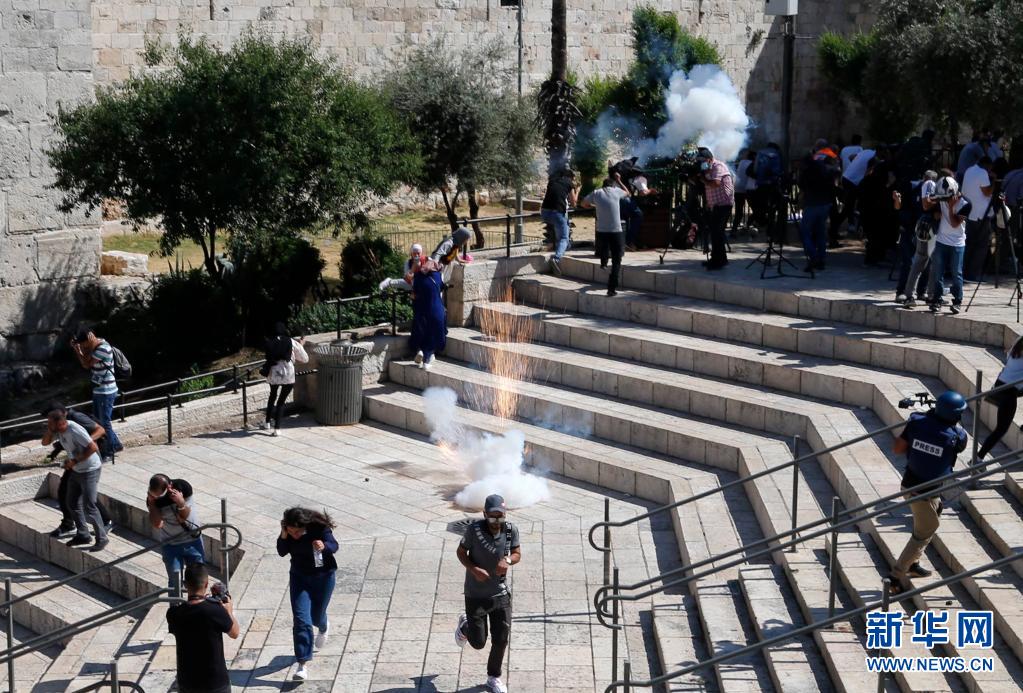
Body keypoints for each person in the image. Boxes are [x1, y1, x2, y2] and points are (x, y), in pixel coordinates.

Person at [887, 391, 968, 594]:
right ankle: (895, 577)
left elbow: (897, 449)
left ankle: (913, 563)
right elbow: (959, 443)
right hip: (925, 492)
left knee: (933, 514)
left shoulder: (916, 422)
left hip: (910, 483)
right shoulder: (956, 436)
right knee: (925, 531)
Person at [454, 494, 521, 693]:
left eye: (500, 516)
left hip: (500, 593)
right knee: (478, 643)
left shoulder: (511, 530)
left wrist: (508, 560)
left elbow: (517, 553)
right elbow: (460, 552)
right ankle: (465, 625)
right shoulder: (473, 531)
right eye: (492, 516)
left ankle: (494, 677)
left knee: (501, 638)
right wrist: (473, 569)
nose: (497, 521)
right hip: (476, 594)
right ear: (485, 514)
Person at [277, 507, 339, 682]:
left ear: (304, 526)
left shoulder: (319, 528)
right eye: (291, 531)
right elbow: (281, 551)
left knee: (316, 617)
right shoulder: (287, 533)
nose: (295, 535)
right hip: (299, 578)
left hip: (323, 577)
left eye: (298, 531)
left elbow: (334, 545)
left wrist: (324, 546)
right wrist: (284, 535)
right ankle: (302, 664)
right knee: (301, 619)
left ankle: (323, 625)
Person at [41, 407, 109, 551]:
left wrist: (74, 461)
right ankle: (83, 534)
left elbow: (93, 447)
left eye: (50, 423)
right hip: (77, 470)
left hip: (90, 470)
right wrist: (49, 430)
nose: (48, 425)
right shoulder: (58, 431)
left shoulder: (74, 430)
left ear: (60, 423)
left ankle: (102, 538)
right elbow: (44, 443)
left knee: (90, 505)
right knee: (71, 502)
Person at [166, 563, 240, 693]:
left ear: (185, 584)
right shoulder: (215, 611)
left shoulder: (174, 614)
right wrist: (228, 611)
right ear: (206, 584)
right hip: (215, 683)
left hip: (188, 683)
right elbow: (235, 633)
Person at [70, 328, 123, 460]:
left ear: (89, 339)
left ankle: (109, 452)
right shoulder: (93, 347)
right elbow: (86, 362)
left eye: (83, 343)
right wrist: (79, 350)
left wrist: (80, 351)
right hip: (99, 390)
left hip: (106, 390)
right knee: (98, 421)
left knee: (104, 423)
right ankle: (116, 444)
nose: (82, 346)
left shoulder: (102, 348)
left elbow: (87, 364)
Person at [147, 474, 205, 586]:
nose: (159, 498)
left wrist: (181, 503)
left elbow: (184, 517)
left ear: (170, 486)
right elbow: (157, 524)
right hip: (171, 543)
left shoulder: (183, 487)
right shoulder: (154, 499)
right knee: (175, 581)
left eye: (161, 495)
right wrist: (152, 503)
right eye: (156, 495)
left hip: (192, 540)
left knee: (197, 579)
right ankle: (175, 598)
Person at [927, 176, 972, 314]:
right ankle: (937, 299)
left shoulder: (966, 204)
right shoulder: (942, 198)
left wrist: (951, 207)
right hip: (941, 241)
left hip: (957, 243)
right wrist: (934, 205)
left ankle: (957, 301)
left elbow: (954, 224)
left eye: (947, 198)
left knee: (956, 273)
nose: (945, 201)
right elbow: (928, 204)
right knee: (938, 272)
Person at [975, 335, 1023, 463]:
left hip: (1000, 385)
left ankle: (978, 458)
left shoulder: (1019, 340)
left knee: (1000, 428)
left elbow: (1008, 356)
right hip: (1010, 390)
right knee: (1001, 429)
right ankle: (978, 458)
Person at [580, 173, 630, 296]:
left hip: (601, 231)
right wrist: (619, 180)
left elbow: (583, 204)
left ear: (603, 186)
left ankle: (603, 262)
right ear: (613, 186)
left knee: (604, 247)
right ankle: (611, 288)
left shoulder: (597, 193)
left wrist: (594, 205)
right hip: (616, 230)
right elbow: (628, 193)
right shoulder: (616, 191)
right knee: (617, 259)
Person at [899, 171, 940, 307]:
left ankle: (917, 293)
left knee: (922, 262)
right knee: (922, 262)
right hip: (923, 228)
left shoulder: (919, 187)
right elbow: (926, 205)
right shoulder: (928, 186)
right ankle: (926, 295)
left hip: (921, 228)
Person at [799, 143, 840, 271]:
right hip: (825, 204)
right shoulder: (824, 167)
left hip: (812, 204)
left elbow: (802, 186)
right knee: (821, 232)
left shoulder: (807, 171)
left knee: (805, 232)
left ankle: (813, 257)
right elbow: (834, 178)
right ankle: (821, 260)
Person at [262, 323, 309, 436]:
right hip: (288, 372)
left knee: (272, 396)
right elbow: (305, 359)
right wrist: (301, 345)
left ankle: (267, 422)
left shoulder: (269, 341)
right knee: (281, 401)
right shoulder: (291, 341)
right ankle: (277, 428)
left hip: (274, 372)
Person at [697, 147, 734, 270]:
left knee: (717, 232)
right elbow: (707, 187)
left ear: (709, 159)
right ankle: (718, 259)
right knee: (715, 232)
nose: (701, 163)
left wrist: (703, 179)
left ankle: (719, 261)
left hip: (724, 204)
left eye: (703, 161)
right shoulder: (706, 169)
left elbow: (715, 184)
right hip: (714, 205)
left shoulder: (718, 166)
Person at [541, 168, 579, 275]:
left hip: (544, 212)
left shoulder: (552, 181)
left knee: (560, 230)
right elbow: (574, 203)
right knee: (564, 238)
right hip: (557, 213)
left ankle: (559, 248)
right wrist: (577, 190)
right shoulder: (569, 183)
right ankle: (556, 258)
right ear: (571, 177)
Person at [962, 156, 994, 281]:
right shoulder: (983, 173)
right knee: (981, 245)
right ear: (987, 165)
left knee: (968, 243)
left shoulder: (969, 170)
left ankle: (963, 272)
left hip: (968, 212)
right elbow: (987, 192)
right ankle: (973, 274)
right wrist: (994, 182)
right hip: (981, 214)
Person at [410, 261, 447, 370]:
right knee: (435, 335)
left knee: (422, 332)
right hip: (436, 310)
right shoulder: (437, 276)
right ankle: (427, 360)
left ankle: (420, 351)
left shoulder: (418, 277)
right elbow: (441, 287)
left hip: (421, 311)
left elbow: (414, 293)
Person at [732, 149, 756, 235]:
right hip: (747, 189)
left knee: (738, 212)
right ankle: (747, 226)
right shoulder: (752, 164)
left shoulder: (742, 162)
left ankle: (734, 230)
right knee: (756, 210)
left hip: (738, 188)